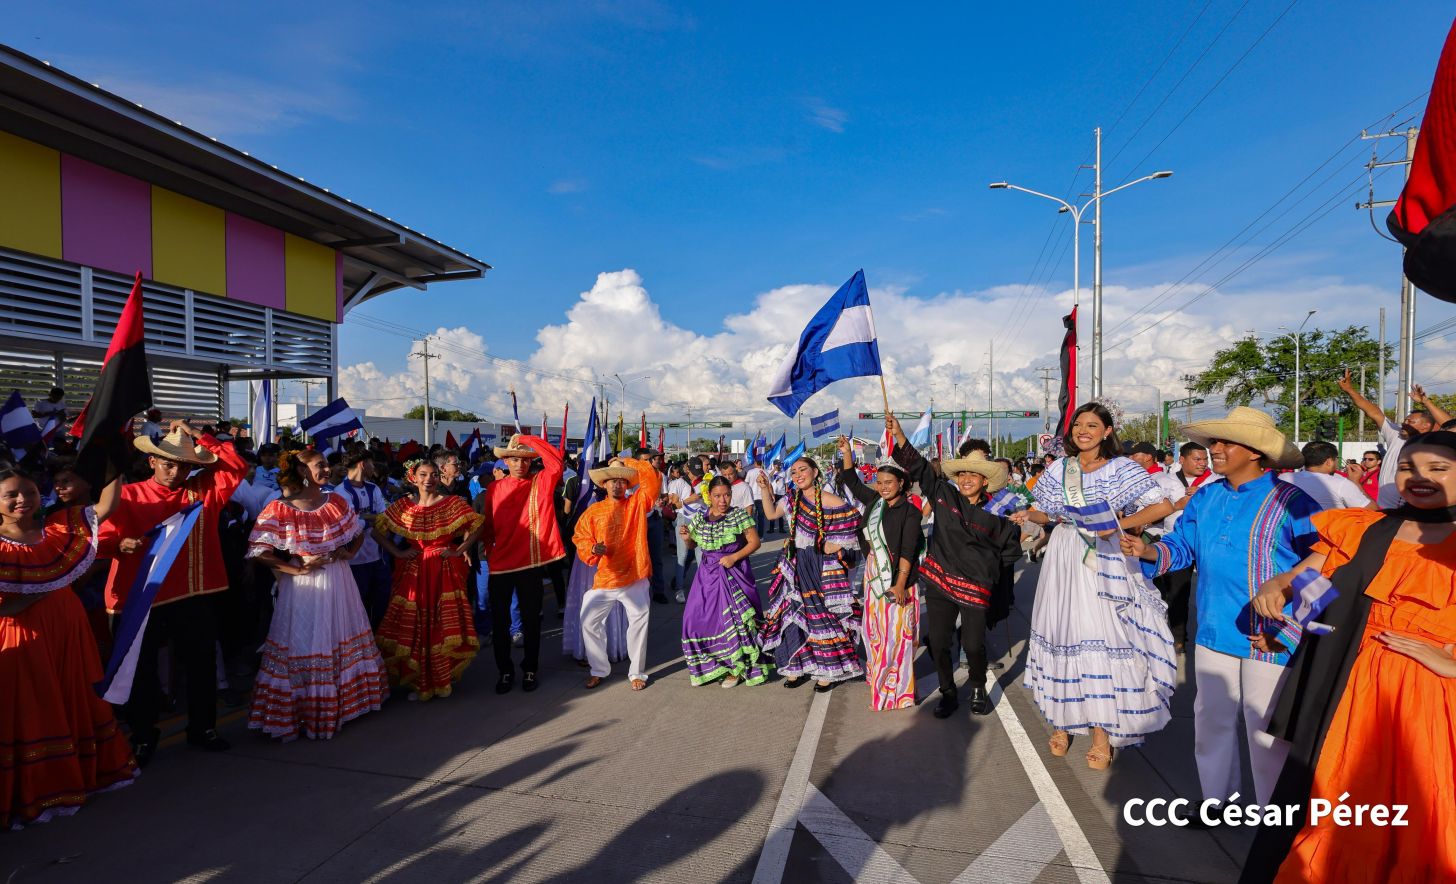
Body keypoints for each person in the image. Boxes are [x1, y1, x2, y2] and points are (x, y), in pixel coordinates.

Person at [1237, 431, 1456, 883]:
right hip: (1349, 690)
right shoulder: (1364, 526)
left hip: (1427, 703)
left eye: (1438, 469)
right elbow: (1306, 580)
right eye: (1408, 467)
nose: (1419, 478)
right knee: (1334, 802)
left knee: (1419, 815)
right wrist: (1275, 593)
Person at [1122, 407, 1318, 807]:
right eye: (1214, 442)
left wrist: (1293, 621)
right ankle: (1218, 803)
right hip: (1213, 625)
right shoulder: (1207, 495)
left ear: (1256, 452)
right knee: (1211, 722)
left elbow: (1325, 565)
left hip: (1271, 634)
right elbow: (1183, 547)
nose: (1215, 448)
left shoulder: (1294, 501)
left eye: (1227, 442)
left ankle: (1274, 819)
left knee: (1264, 731)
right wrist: (1147, 550)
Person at [1011, 403, 1176, 769]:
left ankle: (1102, 733)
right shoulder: (1059, 468)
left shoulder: (1122, 468)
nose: (1083, 430)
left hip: (1103, 556)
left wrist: (1119, 524)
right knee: (1061, 632)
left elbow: (1161, 506)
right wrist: (1029, 515)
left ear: (1107, 431)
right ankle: (1063, 721)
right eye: (1078, 425)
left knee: (1101, 636)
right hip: (1064, 555)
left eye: (1092, 425)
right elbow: (1049, 513)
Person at [100, 421, 248, 765]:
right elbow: (101, 536)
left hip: (193, 593)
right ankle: (143, 735)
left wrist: (200, 437)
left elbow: (237, 466)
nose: (175, 470)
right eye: (169, 462)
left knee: (200, 664)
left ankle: (202, 728)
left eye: (183, 464)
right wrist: (120, 543)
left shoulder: (203, 490)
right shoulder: (128, 495)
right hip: (141, 597)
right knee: (141, 670)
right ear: (152, 461)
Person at [0, 468, 137, 827]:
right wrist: (30, 598)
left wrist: (112, 461)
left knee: (72, 696)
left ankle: (77, 776)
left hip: (69, 629)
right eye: (11, 495)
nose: (21, 501)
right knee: (33, 706)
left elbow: (106, 505)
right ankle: (36, 790)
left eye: (28, 492)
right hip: (22, 636)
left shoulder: (58, 527)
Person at [245, 450, 388, 741]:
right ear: (301, 470)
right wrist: (294, 569)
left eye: (325, 464)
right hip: (303, 588)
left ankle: (342, 704)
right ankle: (307, 708)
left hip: (338, 578)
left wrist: (348, 552)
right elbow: (259, 551)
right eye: (319, 465)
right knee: (304, 640)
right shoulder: (279, 508)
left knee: (337, 633)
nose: (327, 469)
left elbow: (359, 530)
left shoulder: (334, 501)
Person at [373, 459, 487, 700]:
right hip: (413, 571)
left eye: (434, 474)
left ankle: (441, 677)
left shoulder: (452, 503)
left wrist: (458, 549)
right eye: (423, 474)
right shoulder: (403, 505)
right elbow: (377, 531)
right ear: (413, 477)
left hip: (442, 570)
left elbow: (476, 526)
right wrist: (398, 552)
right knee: (415, 622)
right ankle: (419, 681)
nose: (429, 479)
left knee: (440, 623)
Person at [755, 455, 863, 692]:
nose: (797, 475)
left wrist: (835, 545)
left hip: (819, 565)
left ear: (815, 472)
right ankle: (797, 665)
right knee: (792, 614)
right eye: (793, 472)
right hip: (795, 563)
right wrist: (764, 489)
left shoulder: (827, 498)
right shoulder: (792, 498)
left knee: (820, 615)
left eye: (802, 470)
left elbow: (855, 521)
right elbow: (771, 514)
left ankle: (828, 669)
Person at [836, 435, 928, 711]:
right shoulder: (876, 501)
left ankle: (898, 692)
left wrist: (899, 585)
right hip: (874, 575)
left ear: (902, 483)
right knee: (875, 633)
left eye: (889, 482)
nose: (883, 487)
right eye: (879, 482)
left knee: (897, 637)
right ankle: (880, 679)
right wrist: (847, 453)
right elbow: (851, 482)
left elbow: (908, 553)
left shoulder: (909, 513)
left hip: (898, 578)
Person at [480, 435, 566, 694]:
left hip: (530, 562)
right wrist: (486, 550)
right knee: (500, 622)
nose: (520, 464)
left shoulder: (540, 482)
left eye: (525, 460)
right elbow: (489, 524)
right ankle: (504, 671)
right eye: (515, 459)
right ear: (505, 461)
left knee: (531, 621)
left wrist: (528, 439)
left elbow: (556, 463)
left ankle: (530, 668)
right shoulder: (495, 489)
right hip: (500, 565)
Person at [572, 456, 661, 690]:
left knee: (639, 623)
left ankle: (637, 673)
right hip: (606, 578)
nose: (617, 485)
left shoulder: (638, 503)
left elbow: (651, 479)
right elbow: (579, 536)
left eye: (622, 480)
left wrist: (625, 460)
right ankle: (599, 669)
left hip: (635, 575)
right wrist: (592, 548)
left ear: (628, 484)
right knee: (589, 621)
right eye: (612, 480)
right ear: (604, 484)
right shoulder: (594, 512)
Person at [677, 476, 768, 687]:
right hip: (706, 574)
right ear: (709, 496)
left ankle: (735, 669)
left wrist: (734, 557)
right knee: (695, 619)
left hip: (733, 574)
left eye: (727, 495)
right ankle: (712, 665)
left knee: (733, 623)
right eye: (717, 496)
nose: (723, 500)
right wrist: (686, 538)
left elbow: (755, 542)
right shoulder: (701, 517)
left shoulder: (738, 515)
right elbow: (693, 545)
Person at [1339, 372, 1443, 508]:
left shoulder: (1433, 444)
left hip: (1408, 510)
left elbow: (1448, 424)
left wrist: (1426, 402)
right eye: (1405, 420)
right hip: (1384, 509)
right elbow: (1373, 412)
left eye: (1410, 421)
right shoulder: (1396, 434)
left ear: (1426, 426)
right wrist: (1350, 390)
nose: (1404, 423)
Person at [1155, 442, 1210, 651]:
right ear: (1182, 460)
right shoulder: (1163, 481)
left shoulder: (1214, 482)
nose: (1202, 464)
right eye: (1197, 459)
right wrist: (1177, 504)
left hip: (1205, 543)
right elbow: (1152, 511)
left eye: (1205, 459)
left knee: (1205, 592)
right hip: (1175, 542)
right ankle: (1177, 638)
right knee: (1176, 592)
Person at [337, 449, 392, 628]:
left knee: (381, 603)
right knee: (357, 606)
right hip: (353, 561)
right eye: (371, 463)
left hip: (377, 556)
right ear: (363, 464)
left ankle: (376, 641)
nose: (373, 467)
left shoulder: (373, 488)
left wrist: (364, 518)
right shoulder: (340, 492)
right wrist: (370, 519)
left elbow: (383, 517)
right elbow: (350, 524)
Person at [1279, 440, 1374, 512]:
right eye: (1336, 458)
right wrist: (1355, 483)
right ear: (1329, 462)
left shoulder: (1284, 478)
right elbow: (1373, 511)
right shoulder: (1341, 484)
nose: (1337, 462)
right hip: (1325, 536)